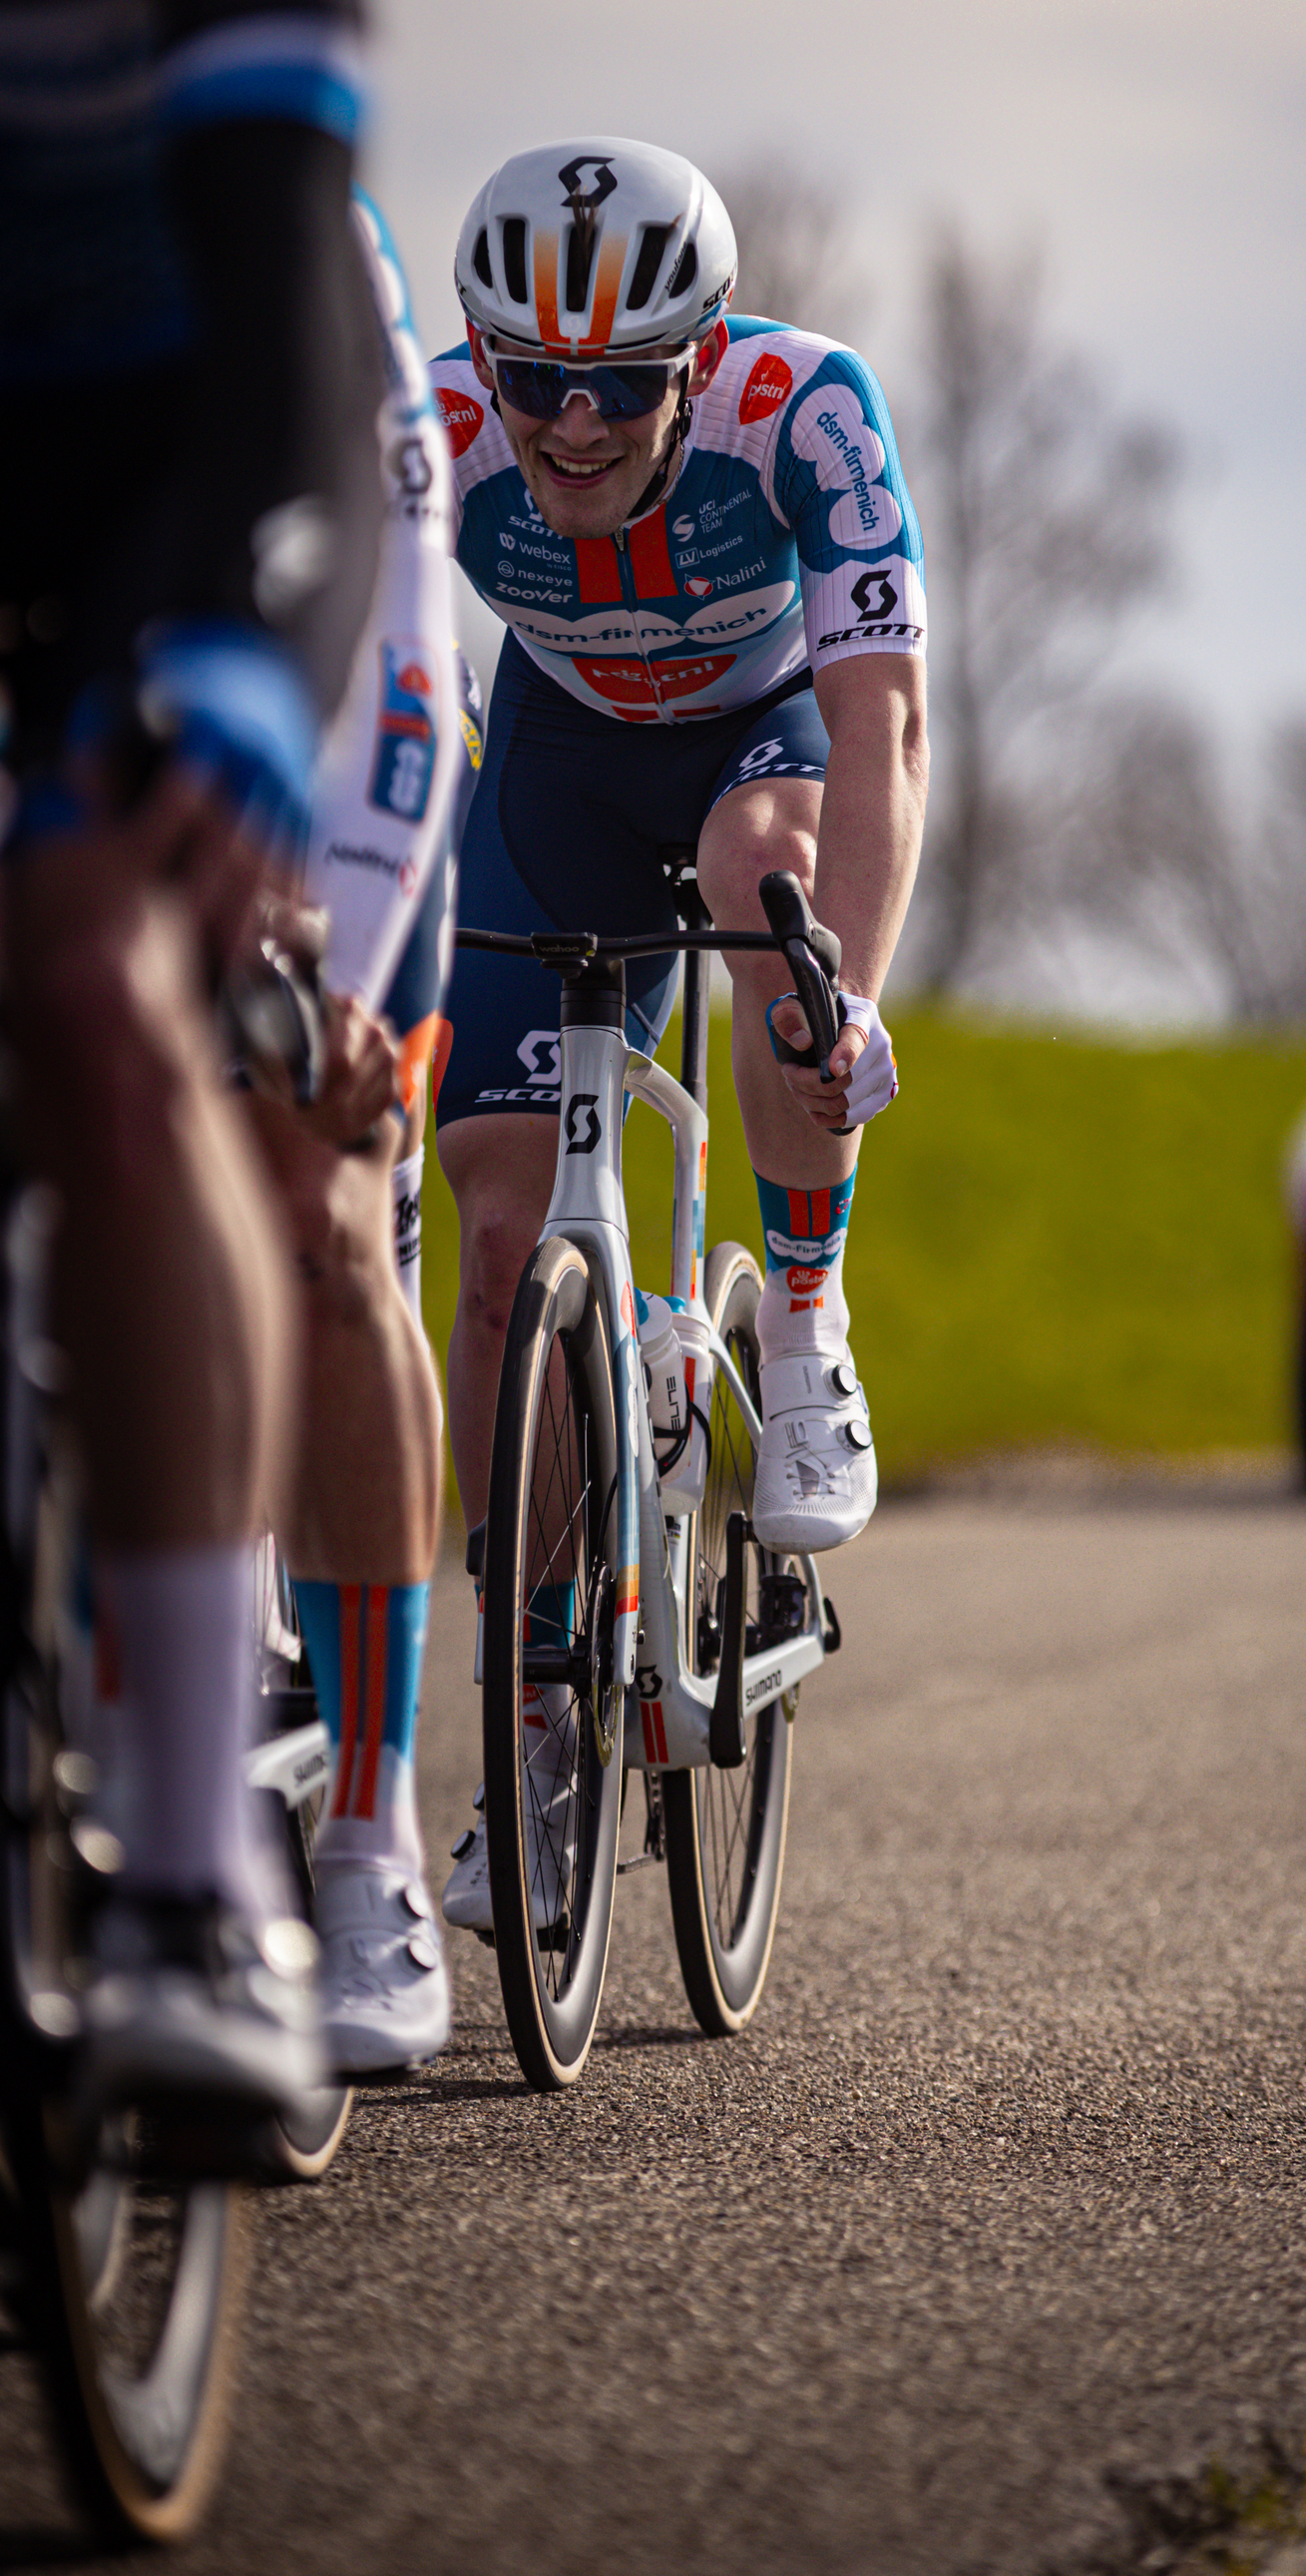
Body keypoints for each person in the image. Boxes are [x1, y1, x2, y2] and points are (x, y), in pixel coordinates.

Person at [0, 0, 381, 2143]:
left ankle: (200, 1872)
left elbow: (296, 252)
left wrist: (242, 641)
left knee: (89, 978)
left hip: (187, 461)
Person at [429, 138, 928, 1929]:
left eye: (616, 385)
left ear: (697, 357)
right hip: (554, 759)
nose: (567, 425)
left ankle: (803, 1319)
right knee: (498, 1246)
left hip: (756, 745)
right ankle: (540, 1716)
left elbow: (883, 724)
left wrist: (842, 989)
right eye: (530, 379)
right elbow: (365, 685)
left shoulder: (805, 413)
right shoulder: (441, 437)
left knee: (769, 900)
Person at [250, 188, 480, 2080]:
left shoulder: (290, 213)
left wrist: (350, 953)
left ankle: (366, 1837)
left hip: (337, 739)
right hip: (41, 702)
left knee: (328, 1216)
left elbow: (407, 633)